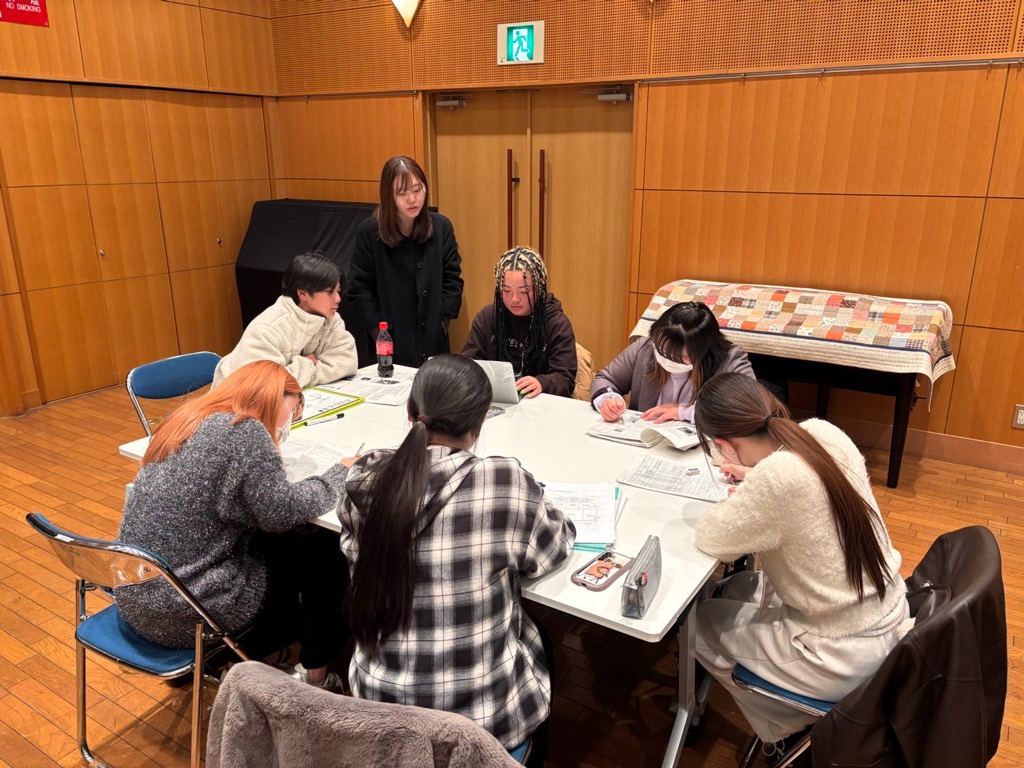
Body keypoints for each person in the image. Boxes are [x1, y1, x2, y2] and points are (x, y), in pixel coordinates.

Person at [337, 354, 576, 760]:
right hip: (481, 729)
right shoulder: (503, 481)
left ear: (410, 412)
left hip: (381, 716)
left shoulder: (364, 479)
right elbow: (555, 548)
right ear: (480, 423)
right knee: (540, 642)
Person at [691, 373, 909, 746]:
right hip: (891, 621)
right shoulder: (823, 432)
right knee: (742, 586)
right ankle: (795, 707)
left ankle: (785, 725)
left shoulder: (776, 480)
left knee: (698, 622)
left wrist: (755, 488)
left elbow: (712, 538)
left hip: (840, 654)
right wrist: (757, 478)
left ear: (725, 447)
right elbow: (803, 487)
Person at [116, 361, 353, 690]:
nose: (289, 422)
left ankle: (223, 659)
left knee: (269, 538)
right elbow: (281, 511)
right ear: (275, 396)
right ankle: (317, 675)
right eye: (294, 409)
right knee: (324, 549)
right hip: (189, 614)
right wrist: (339, 474)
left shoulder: (185, 418)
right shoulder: (244, 431)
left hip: (138, 598)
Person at [347, 156, 464, 367]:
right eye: (402, 193)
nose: (412, 199)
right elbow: (358, 289)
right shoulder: (369, 231)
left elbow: (452, 278)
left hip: (432, 337)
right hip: (389, 340)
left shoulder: (441, 227)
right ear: (388, 196)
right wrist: (379, 332)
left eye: (417, 190)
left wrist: (443, 321)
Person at [591, 300, 754, 423]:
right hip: (645, 441)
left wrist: (683, 412)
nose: (664, 357)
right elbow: (605, 379)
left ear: (701, 352)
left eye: (677, 357)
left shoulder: (730, 359)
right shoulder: (647, 347)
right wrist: (607, 399)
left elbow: (749, 409)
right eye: (660, 348)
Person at [213, 251, 357, 390]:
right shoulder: (267, 328)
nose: (338, 299)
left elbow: (347, 362)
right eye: (330, 292)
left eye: (338, 291)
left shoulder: (331, 319)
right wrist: (306, 363)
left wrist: (294, 373)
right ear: (303, 293)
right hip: (232, 405)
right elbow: (265, 385)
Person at [461, 246, 577, 398]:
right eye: (506, 291)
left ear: (539, 288)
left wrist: (542, 383)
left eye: (524, 292)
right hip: (496, 402)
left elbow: (565, 379)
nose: (514, 299)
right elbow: (467, 365)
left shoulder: (556, 324)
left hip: (542, 407)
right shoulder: (488, 318)